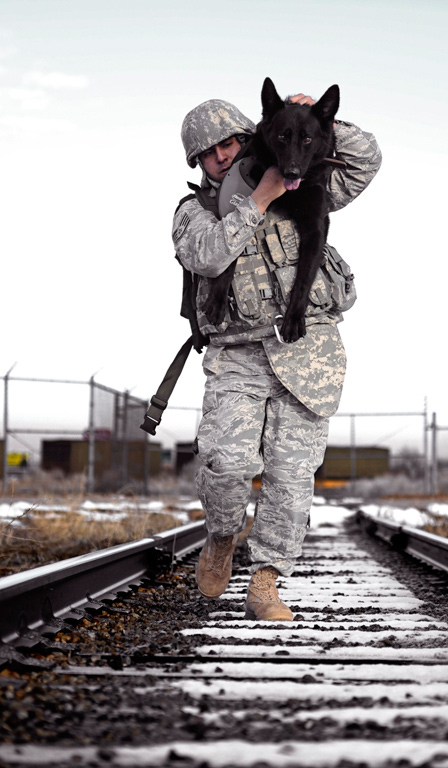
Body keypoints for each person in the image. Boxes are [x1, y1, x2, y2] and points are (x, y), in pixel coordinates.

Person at [173, 93, 381, 621]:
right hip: (236, 356)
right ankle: (221, 537)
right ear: (198, 163)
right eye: (207, 152)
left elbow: (367, 157)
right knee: (226, 464)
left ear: (251, 137)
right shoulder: (193, 211)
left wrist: (314, 116)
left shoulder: (309, 180)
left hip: (307, 354)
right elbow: (206, 254)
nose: (221, 156)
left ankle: (266, 581)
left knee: (291, 478)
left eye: (229, 142)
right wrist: (258, 200)